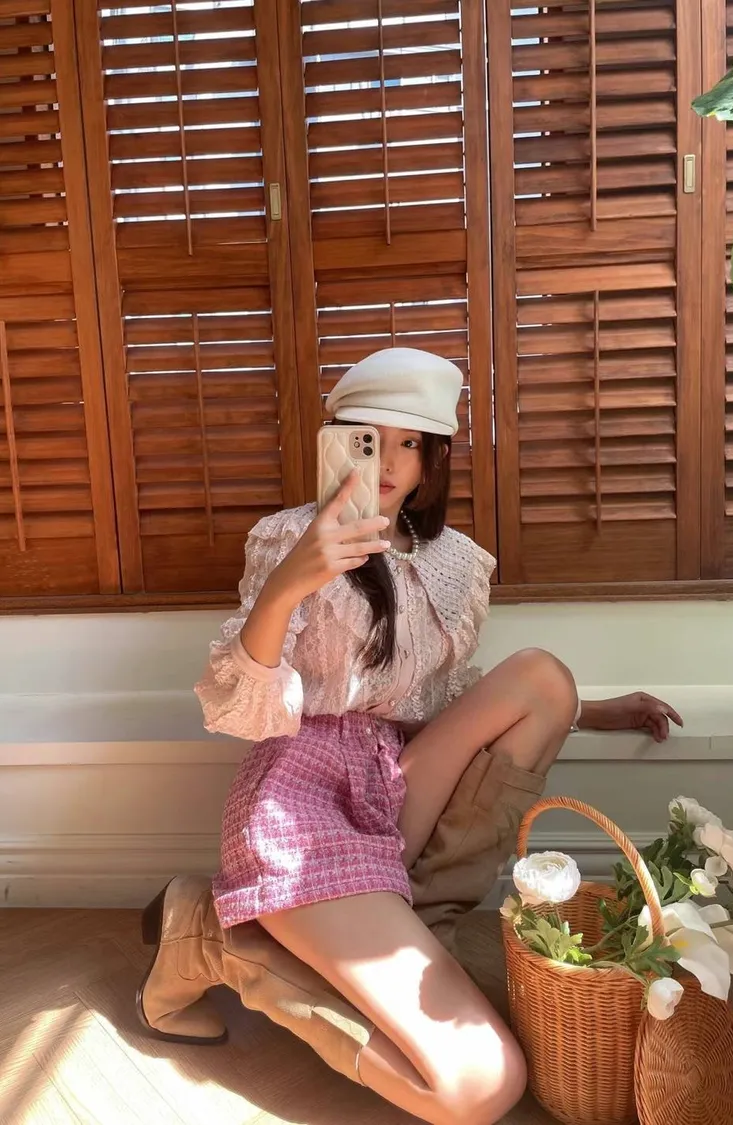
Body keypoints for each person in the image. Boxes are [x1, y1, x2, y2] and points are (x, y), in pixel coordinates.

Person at [137, 348, 682, 1125]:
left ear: (433, 458)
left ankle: (417, 916)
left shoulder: (451, 562)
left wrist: (596, 709)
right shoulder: (288, 537)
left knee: (544, 679)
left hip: (395, 781)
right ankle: (211, 938)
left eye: (410, 442)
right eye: (369, 438)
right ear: (335, 441)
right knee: (482, 1086)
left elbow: (443, 697)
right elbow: (237, 706)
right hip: (301, 801)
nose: (389, 462)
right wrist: (291, 581)